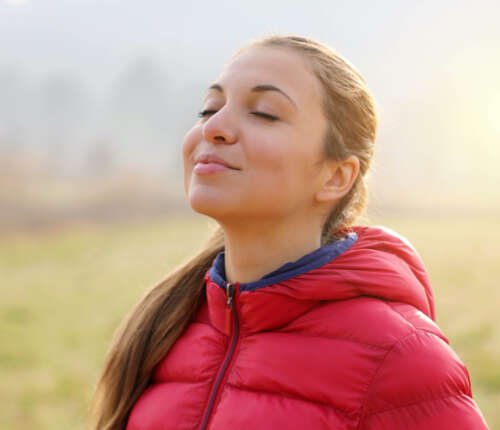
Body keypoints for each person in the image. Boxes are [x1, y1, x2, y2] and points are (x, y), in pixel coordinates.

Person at [89, 34, 489, 430]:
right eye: (209, 108)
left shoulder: (403, 358)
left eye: (264, 113)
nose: (216, 127)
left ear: (335, 177)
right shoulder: (166, 328)